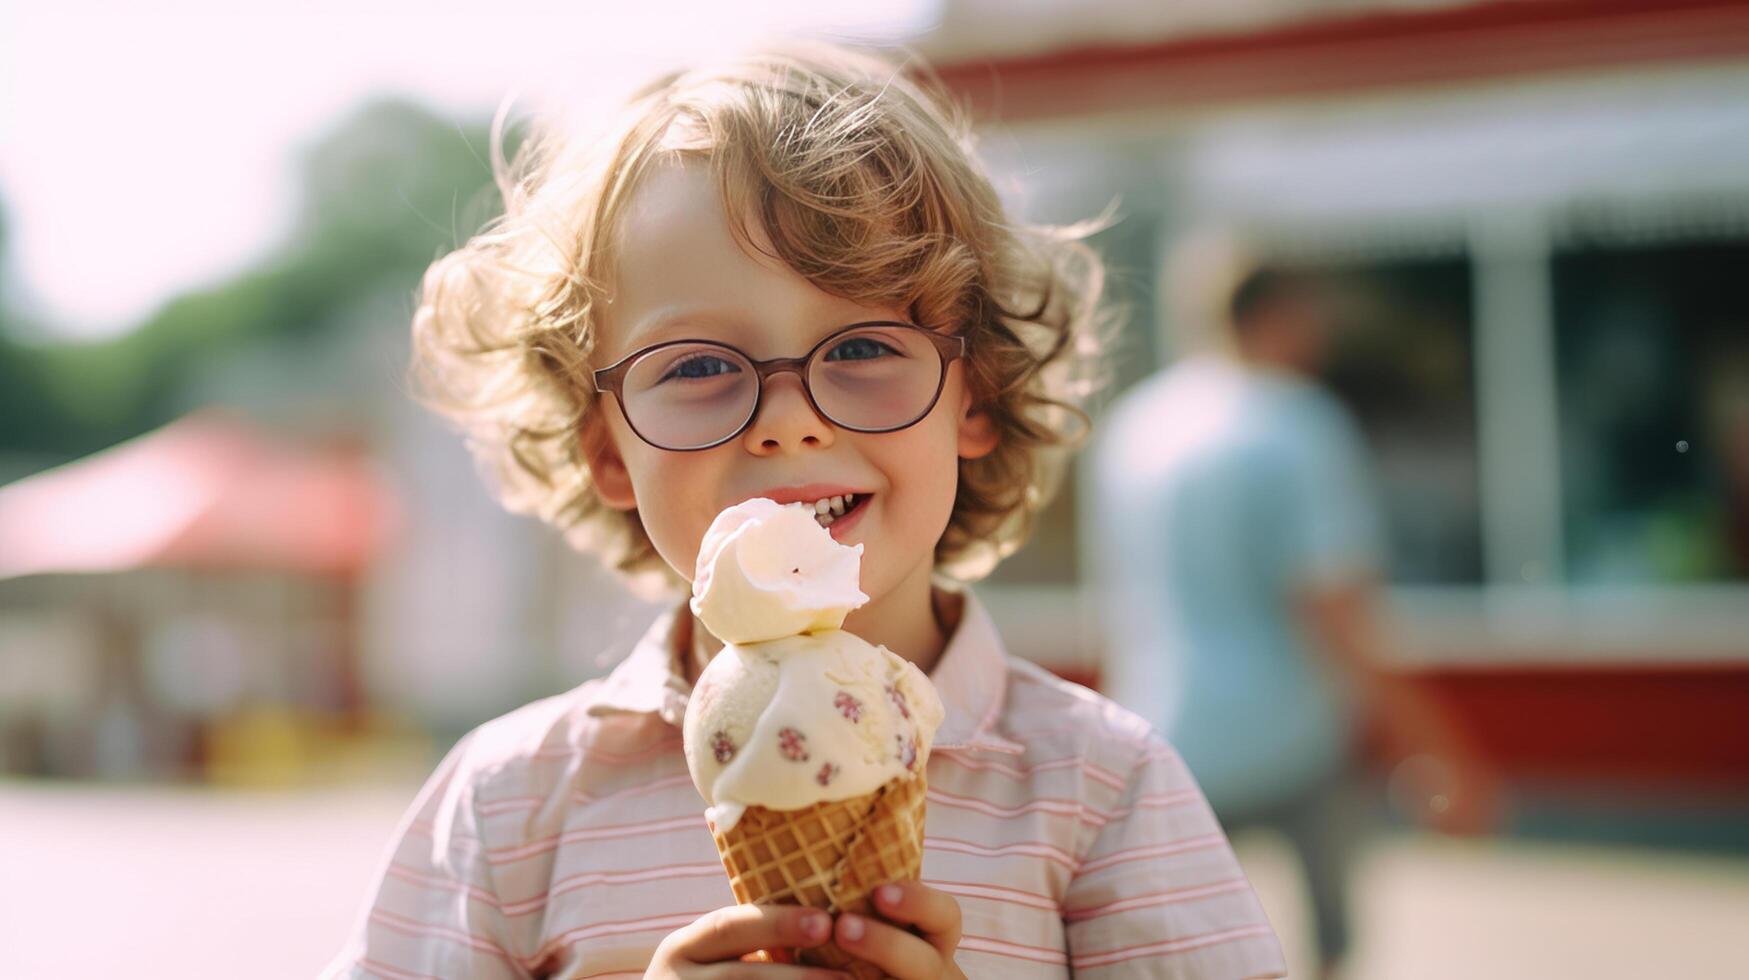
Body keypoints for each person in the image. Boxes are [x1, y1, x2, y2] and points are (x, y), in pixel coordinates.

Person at [323, 42, 1287, 979]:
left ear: (976, 396)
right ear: (605, 447)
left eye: (863, 348)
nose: (788, 424)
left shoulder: (1098, 789)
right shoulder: (512, 802)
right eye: (697, 367)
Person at [1087, 238, 1497, 979]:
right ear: (1279, 314)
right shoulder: (1298, 425)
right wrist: (1437, 750)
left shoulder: (1136, 428)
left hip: (1165, 729)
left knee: (1174, 950)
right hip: (1293, 738)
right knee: (1327, 943)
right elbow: (1337, 614)